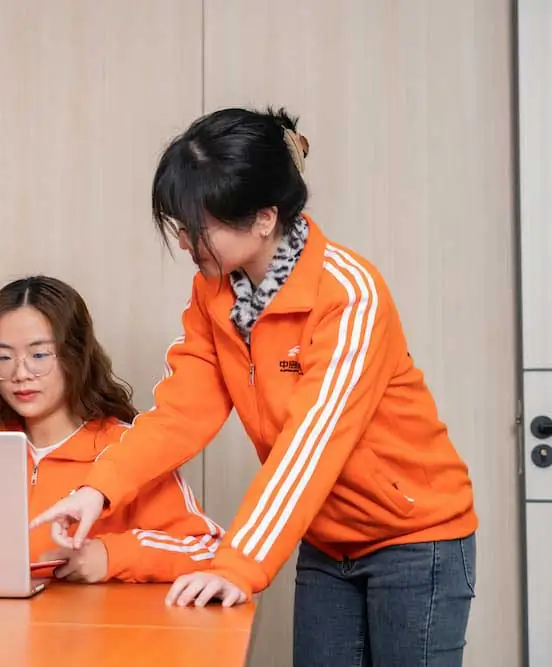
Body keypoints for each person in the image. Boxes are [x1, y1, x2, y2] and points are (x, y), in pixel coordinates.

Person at [30, 108, 477, 665]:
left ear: (264, 219)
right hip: (324, 539)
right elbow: (179, 414)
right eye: (179, 225)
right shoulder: (213, 294)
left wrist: (236, 565)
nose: (188, 243)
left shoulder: (349, 294)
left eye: (200, 227)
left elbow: (310, 447)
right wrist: (97, 490)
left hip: (416, 539)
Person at [0, 275, 222, 583]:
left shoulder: (130, 451)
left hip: (96, 629)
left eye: (38, 355)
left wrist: (111, 555)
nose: (20, 373)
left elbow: (208, 551)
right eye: (4, 358)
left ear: (75, 356)